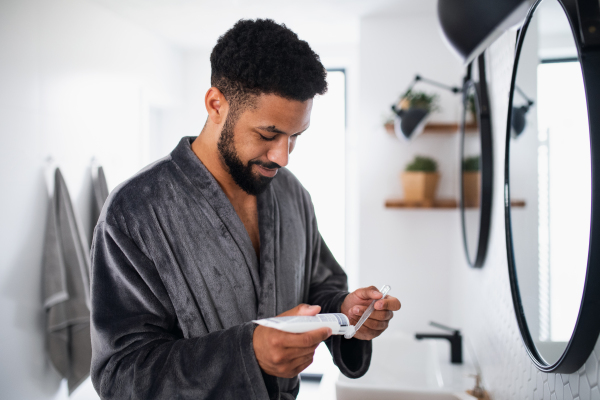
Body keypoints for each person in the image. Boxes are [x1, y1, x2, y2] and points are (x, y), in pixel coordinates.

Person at [90, 19, 401, 399]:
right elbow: (120, 374)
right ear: (216, 104)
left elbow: (320, 285)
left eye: (295, 138)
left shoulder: (291, 194)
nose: (282, 157)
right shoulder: (133, 213)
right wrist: (248, 352)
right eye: (268, 135)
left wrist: (345, 311)